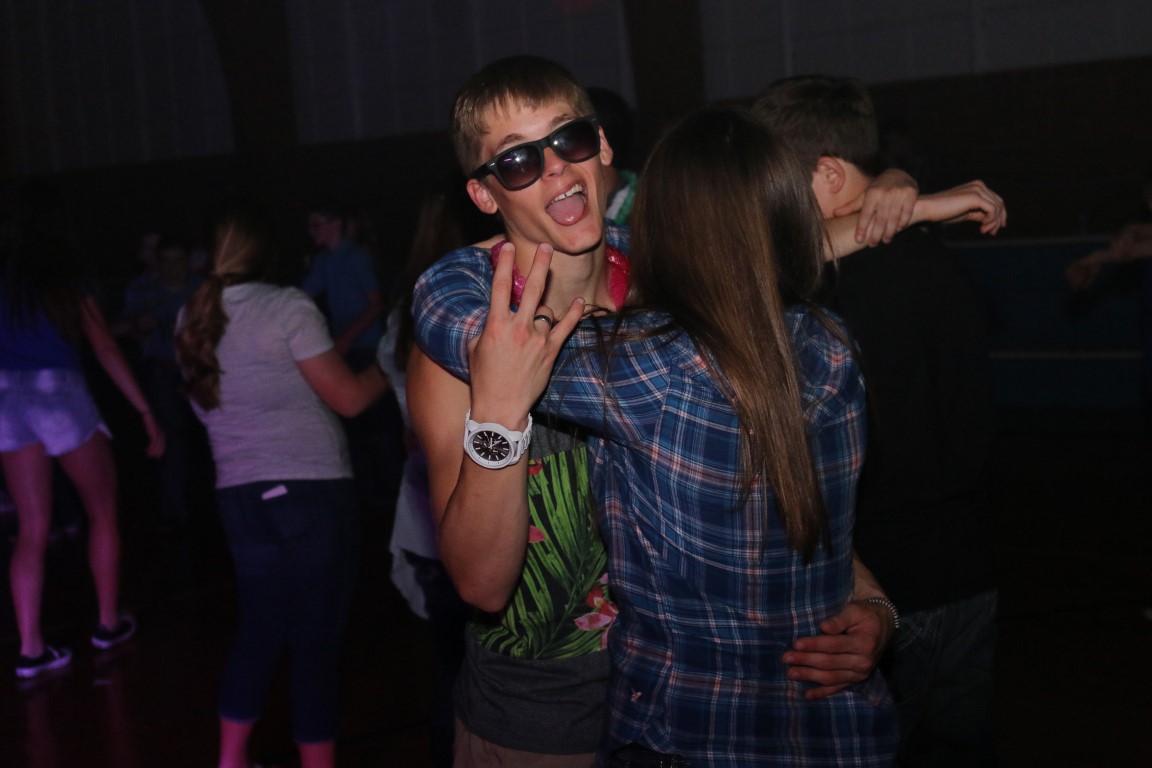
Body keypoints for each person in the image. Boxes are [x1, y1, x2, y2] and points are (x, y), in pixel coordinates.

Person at [456, 107, 899, 766]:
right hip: (836, 732)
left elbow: (458, 326)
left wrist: (483, 251)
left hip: (689, 734)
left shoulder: (646, 368)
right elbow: (800, 532)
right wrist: (879, 606)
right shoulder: (834, 347)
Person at [755, 75, 1005, 767]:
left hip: (876, 596)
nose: (768, 202)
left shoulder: (822, 289)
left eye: (779, 182)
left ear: (829, 174)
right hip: (970, 574)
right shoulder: (938, 260)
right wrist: (907, 193)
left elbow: (734, 272)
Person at [175, 210, 388, 768]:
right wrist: (393, 364)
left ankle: (231, 761)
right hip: (310, 494)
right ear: (267, 255)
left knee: (259, 629)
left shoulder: (191, 314)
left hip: (239, 499)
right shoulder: (285, 306)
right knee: (315, 644)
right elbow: (350, 399)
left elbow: (204, 408)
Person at [1, 213, 164, 679]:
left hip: (6, 395)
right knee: (102, 512)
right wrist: (145, 411)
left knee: (31, 529)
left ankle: (31, 650)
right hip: (58, 392)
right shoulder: (67, 275)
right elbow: (105, 347)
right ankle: (108, 624)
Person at [301, 201, 391, 506]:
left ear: (335, 223)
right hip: (345, 351)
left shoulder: (356, 257)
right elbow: (302, 296)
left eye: (317, 224)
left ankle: (389, 496)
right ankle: (367, 497)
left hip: (367, 349)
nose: (312, 231)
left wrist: (347, 338)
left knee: (378, 428)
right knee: (355, 428)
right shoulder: (324, 261)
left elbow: (376, 304)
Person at [114, 235, 205, 525]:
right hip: (164, 371)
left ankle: (211, 503)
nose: (172, 266)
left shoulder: (202, 289)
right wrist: (138, 324)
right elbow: (118, 329)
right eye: (166, 260)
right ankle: (174, 509)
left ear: (188, 261)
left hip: (202, 371)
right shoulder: (147, 292)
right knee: (173, 438)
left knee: (212, 436)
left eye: (178, 259)